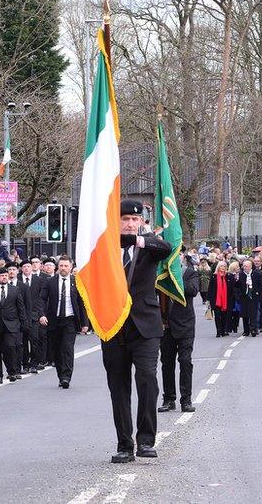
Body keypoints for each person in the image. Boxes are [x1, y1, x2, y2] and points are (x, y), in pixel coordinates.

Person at [102, 198, 172, 464]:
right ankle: (124, 444)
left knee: (147, 380)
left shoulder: (149, 246)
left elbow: (166, 247)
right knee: (118, 387)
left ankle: (146, 440)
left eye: (135, 220)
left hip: (145, 327)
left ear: (141, 222)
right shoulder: (105, 249)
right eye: (125, 220)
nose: (130, 224)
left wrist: (139, 240)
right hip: (113, 327)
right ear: (116, 221)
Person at [39, 257, 89, 388]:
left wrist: (85, 323)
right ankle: (61, 375)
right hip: (54, 320)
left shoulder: (77, 282)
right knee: (56, 350)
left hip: (70, 320)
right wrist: (42, 315)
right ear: (57, 267)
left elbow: (81, 303)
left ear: (71, 267)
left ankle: (66, 377)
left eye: (66, 266)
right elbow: (41, 299)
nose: (63, 268)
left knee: (67, 348)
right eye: (61, 265)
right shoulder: (50, 282)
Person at [158, 254, 199, 413]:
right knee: (167, 364)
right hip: (166, 326)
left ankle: (186, 400)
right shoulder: (161, 275)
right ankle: (169, 399)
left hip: (185, 325)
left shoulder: (190, 273)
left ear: (181, 257)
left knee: (185, 361)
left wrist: (174, 279)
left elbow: (193, 290)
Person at [0, 268, 27, 384]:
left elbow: (20, 307)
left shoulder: (14, 290)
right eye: (1, 275)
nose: (4, 277)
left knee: (10, 347)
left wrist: (23, 323)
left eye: (6, 275)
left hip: (11, 324)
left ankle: (12, 371)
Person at [208, 261, 232, 337]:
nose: (223, 268)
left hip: (226, 300)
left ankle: (224, 330)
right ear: (218, 267)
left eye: (225, 266)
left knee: (224, 316)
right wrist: (209, 300)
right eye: (221, 266)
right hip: (216, 300)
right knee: (217, 316)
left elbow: (231, 288)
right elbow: (210, 289)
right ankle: (218, 331)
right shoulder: (214, 276)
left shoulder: (228, 276)